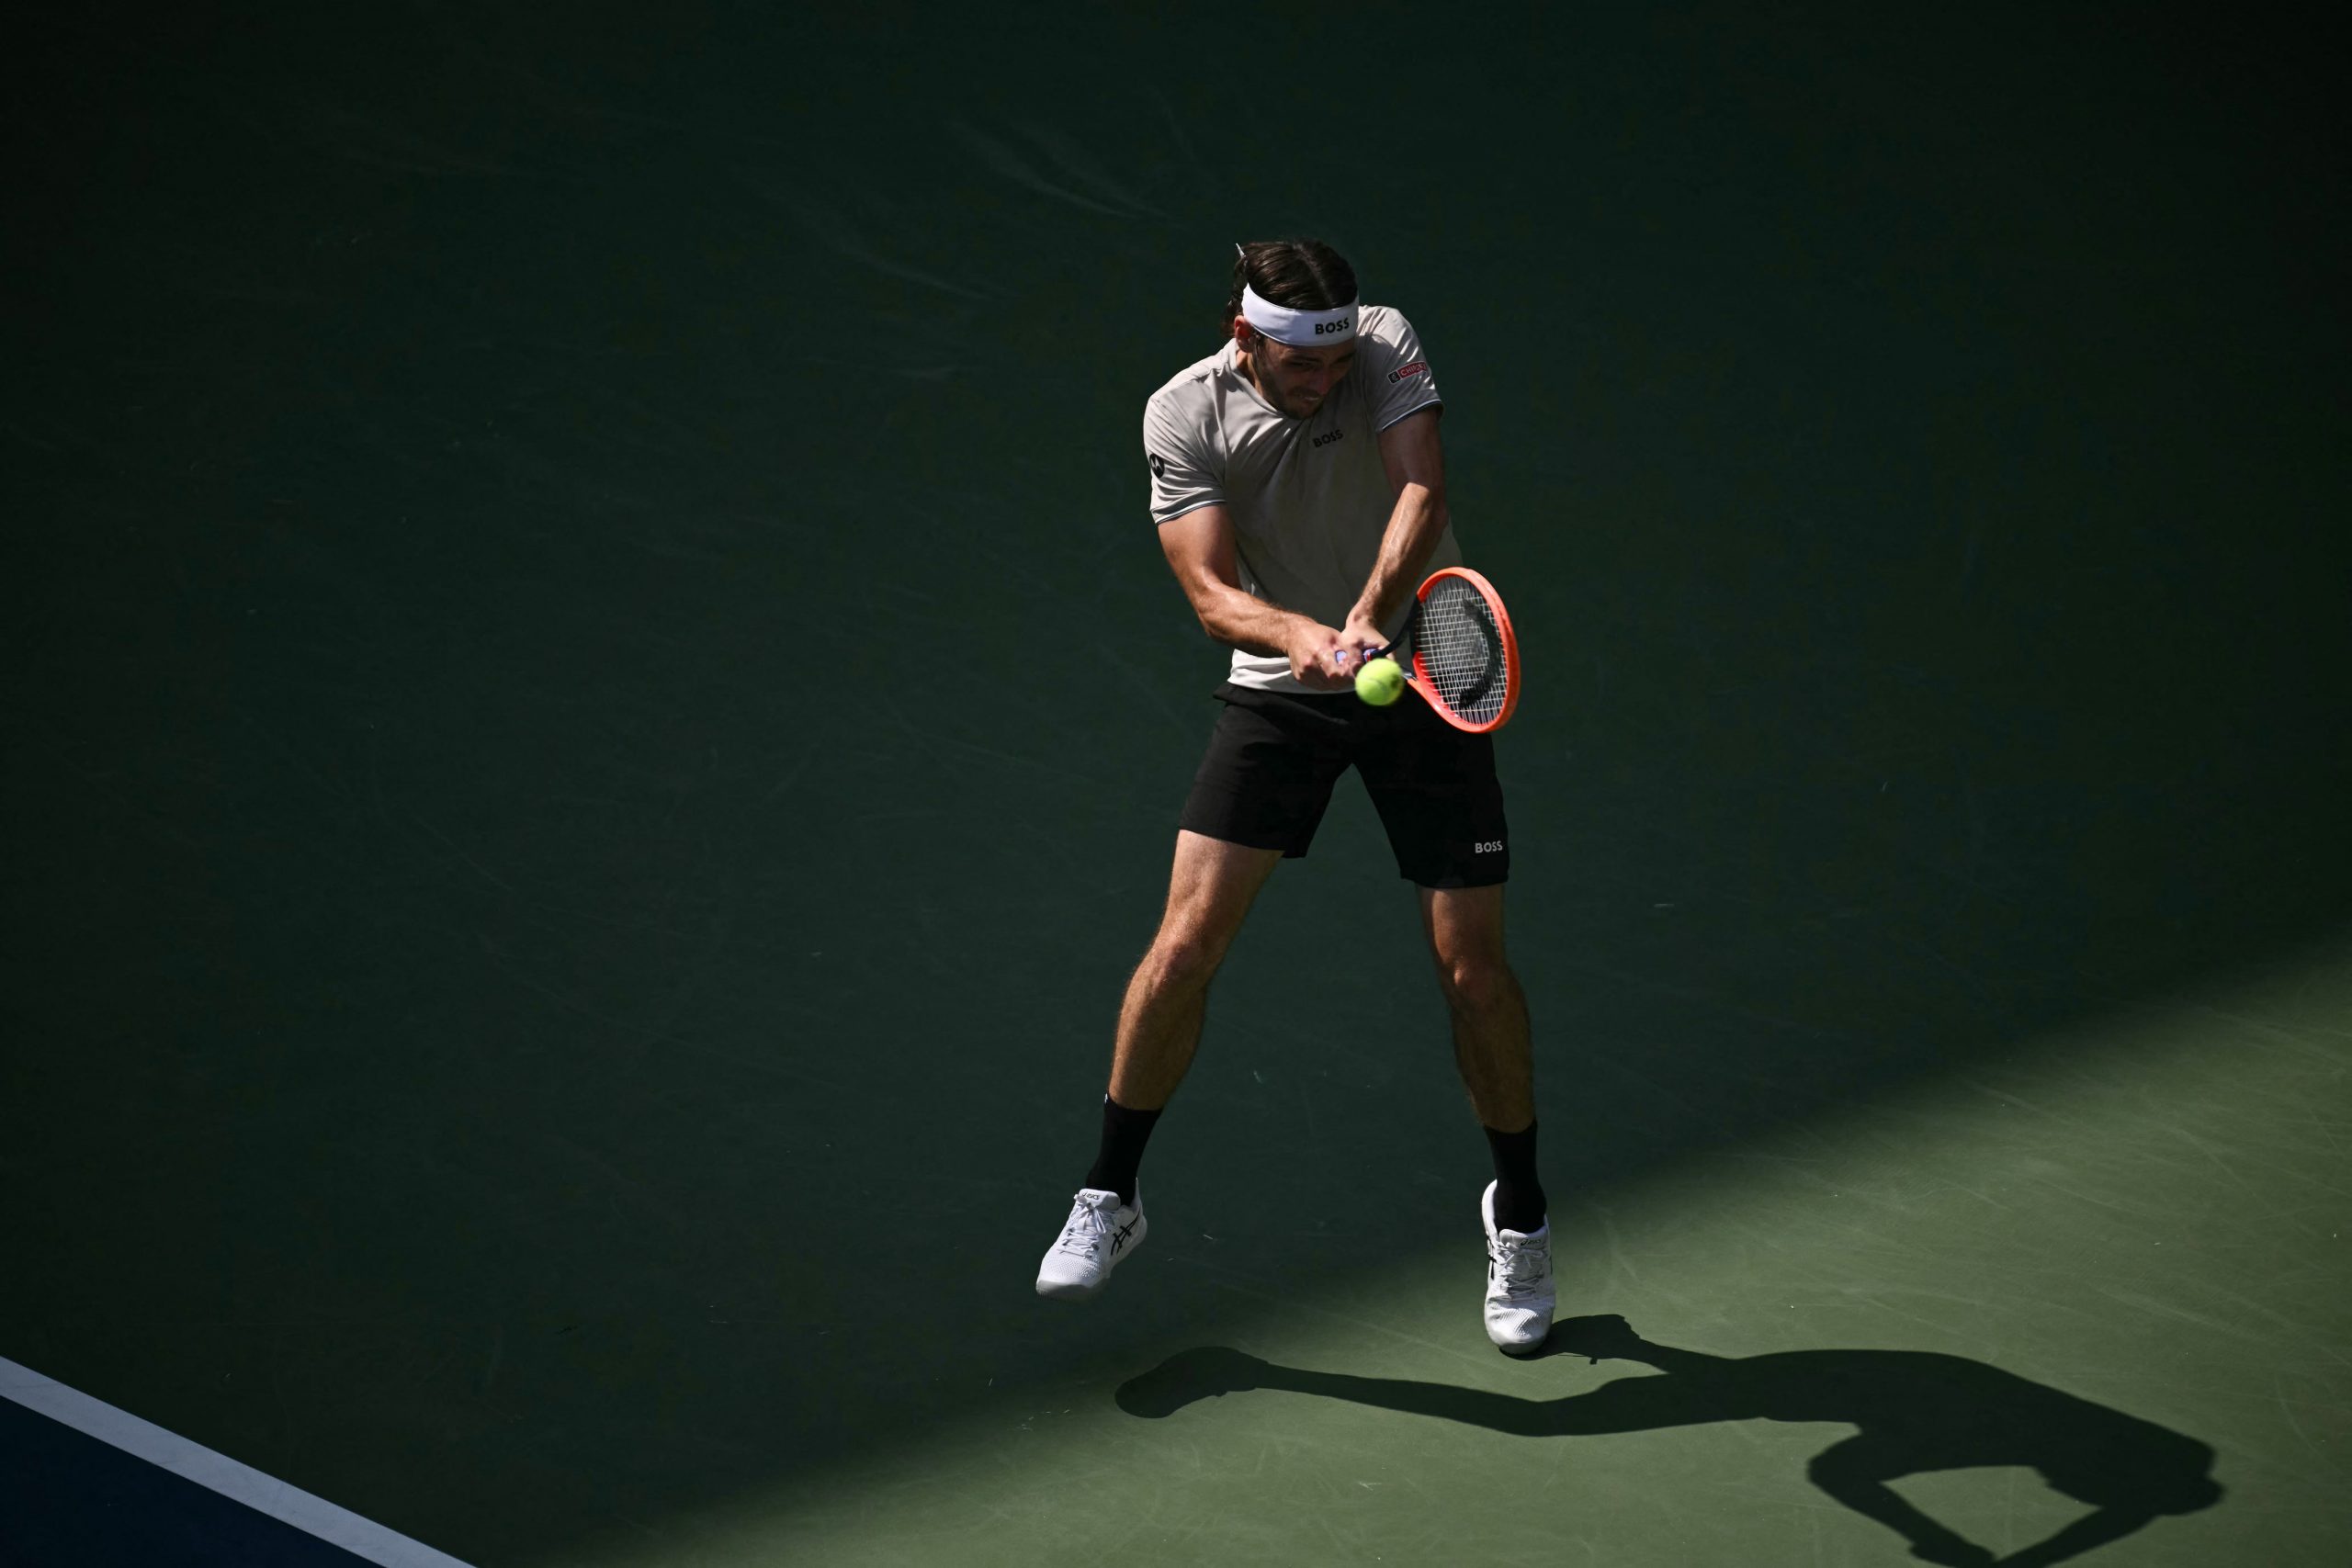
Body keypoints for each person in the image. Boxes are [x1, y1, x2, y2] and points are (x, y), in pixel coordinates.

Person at [1034, 238, 1554, 1353]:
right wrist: (1300, 635)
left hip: (1423, 672)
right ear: (1244, 340)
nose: (1326, 381)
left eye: (1334, 362)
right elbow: (1214, 596)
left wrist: (1365, 609)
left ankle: (1519, 1212)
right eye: (1299, 366)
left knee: (1473, 969)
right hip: (1283, 690)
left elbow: (1422, 484)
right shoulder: (1180, 415)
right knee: (1182, 946)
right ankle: (1110, 1196)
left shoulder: (1382, 343)